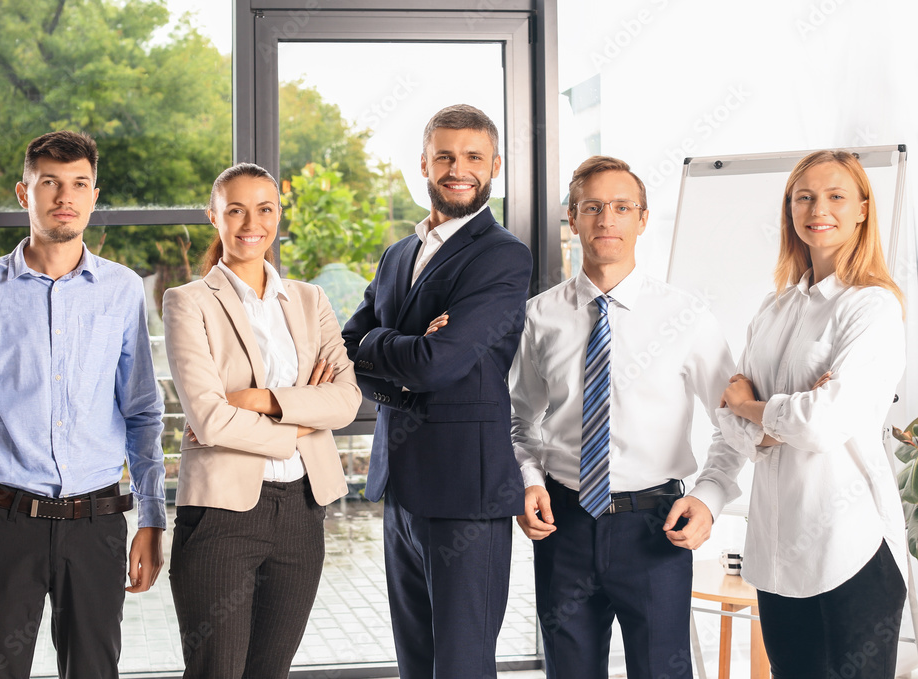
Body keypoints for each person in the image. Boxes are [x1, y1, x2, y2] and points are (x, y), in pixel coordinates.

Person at [0, 130, 166, 678]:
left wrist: (152, 517)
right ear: (23, 192)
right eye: (50, 183)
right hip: (3, 526)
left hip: (97, 523)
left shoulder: (122, 291)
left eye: (79, 183)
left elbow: (143, 414)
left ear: (94, 195)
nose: (65, 196)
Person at [509, 155, 744, 678]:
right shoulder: (539, 316)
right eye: (592, 207)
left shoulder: (687, 318)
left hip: (655, 528)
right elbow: (518, 421)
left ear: (642, 218)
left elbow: (736, 426)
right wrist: (526, 481)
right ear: (572, 219)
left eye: (621, 207)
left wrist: (709, 497)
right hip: (563, 525)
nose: (606, 219)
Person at [342, 104, 533, 679]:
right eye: (445, 155)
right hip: (400, 483)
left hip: (465, 495)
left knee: (461, 663)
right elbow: (350, 346)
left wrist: (387, 345)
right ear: (423, 163)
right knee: (415, 662)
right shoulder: (399, 252)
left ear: (494, 165)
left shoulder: (502, 255)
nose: (458, 168)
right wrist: (397, 342)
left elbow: (437, 363)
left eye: (473, 157)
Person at [162, 162, 361, 679]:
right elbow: (209, 419)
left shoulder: (310, 299)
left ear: (278, 215)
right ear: (214, 217)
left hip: (301, 511)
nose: (252, 222)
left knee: (270, 671)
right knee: (216, 672)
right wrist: (299, 419)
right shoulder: (188, 303)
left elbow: (344, 400)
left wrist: (261, 399)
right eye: (235, 210)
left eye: (265, 209)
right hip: (220, 516)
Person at [717, 150, 906, 679]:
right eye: (804, 197)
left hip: (852, 550)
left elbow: (823, 424)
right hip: (776, 556)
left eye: (836, 196)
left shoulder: (872, 306)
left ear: (863, 210)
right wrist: (779, 419)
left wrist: (751, 407)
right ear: (790, 210)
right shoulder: (773, 309)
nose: (817, 208)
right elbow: (728, 426)